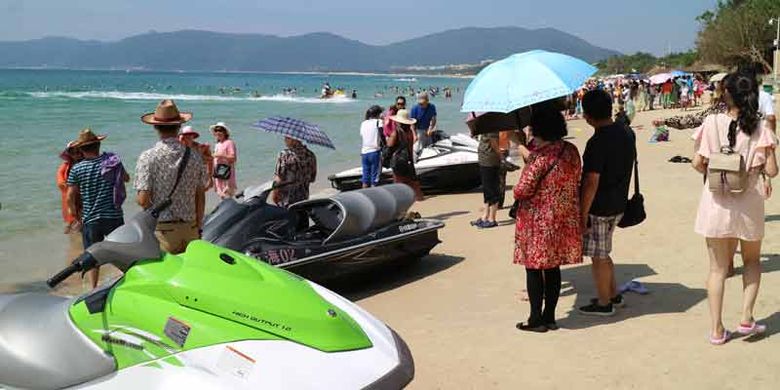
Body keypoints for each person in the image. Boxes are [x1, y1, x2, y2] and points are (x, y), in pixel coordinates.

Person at [691, 71, 778, 345]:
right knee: (751, 261)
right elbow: (773, 170)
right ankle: (746, 317)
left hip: (716, 201)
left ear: (725, 93)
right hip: (748, 202)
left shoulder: (711, 121)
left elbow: (697, 163)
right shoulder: (762, 127)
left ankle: (716, 329)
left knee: (717, 269)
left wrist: (718, 168)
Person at [514, 105, 583, 332]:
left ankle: (536, 319)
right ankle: (550, 317)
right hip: (563, 218)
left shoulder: (540, 158)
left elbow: (521, 191)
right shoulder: (570, 150)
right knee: (552, 268)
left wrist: (528, 159)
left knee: (533, 268)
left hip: (538, 221)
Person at [578, 89, 637, 316]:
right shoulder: (626, 132)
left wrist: (582, 215)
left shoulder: (597, 141)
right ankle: (613, 294)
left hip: (600, 207)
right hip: (619, 202)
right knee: (603, 252)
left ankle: (604, 303)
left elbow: (591, 181)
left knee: (599, 257)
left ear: (588, 115)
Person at [136, 99, 207, 254]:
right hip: (191, 228)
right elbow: (200, 196)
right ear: (179, 127)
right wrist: (198, 226)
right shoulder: (195, 157)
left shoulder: (148, 157)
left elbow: (143, 200)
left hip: (163, 230)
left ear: (155, 126)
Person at [66, 129, 128, 288]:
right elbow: (126, 178)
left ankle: (94, 288)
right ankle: (128, 279)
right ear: (99, 145)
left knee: (92, 256)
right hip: (113, 215)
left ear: (81, 149)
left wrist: (75, 217)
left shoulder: (77, 169)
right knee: (122, 252)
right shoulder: (113, 162)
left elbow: (70, 197)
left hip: (91, 219)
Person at [387, 109, 424, 200]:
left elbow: (389, 145)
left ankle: (401, 207)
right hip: (409, 160)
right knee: (413, 184)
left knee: (398, 185)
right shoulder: (409, 132)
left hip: (399, 161)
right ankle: (419, 199)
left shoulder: (396, 132)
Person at [272, 137, 317, 207]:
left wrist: (274, 195)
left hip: (286, 200)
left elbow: (279, 179)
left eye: (287, 138)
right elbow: (312, 179)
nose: (284, 140)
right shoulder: (311, 155)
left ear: (295, 140)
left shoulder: (284, 155)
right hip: (303, 199)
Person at [471, 132, 502, 229]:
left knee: (491, 189)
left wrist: (501, 156)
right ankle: (485, 216)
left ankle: (492, 218)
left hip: (490, 161)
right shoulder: (484, 126)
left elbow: (494, 143)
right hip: (484, 159)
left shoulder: (491, 127)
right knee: (486, 189)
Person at [57, 141, 82, 234]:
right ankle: (71, 225)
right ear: (69, 154)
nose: (76, 155)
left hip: (82, 193)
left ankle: (78, 227)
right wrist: (62, 182)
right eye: (73, 152)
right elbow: (60, 175)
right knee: (71, 212)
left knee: (81, 211)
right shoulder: (66, 165)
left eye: (78, 151)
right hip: (70, 192)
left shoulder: (86, 162)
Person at [211, 122, 238, 199]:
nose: (218, 132)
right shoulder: (217, 144)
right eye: (216, 130)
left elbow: (233, 158)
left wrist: (220, 155)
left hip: (227, 174)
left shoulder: (229, 143)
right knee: (221, 197)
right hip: (218, 173)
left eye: (220, 130)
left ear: (225, 132)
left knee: (228, 197)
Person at [360, 105, 384, 188]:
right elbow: (382, 136)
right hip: (375, 152)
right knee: (375, 178)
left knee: (365, 178)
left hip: (364, 153)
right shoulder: (379, 122)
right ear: (378, 114)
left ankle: (364, 196)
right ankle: (375, 197)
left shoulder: (363, 123)